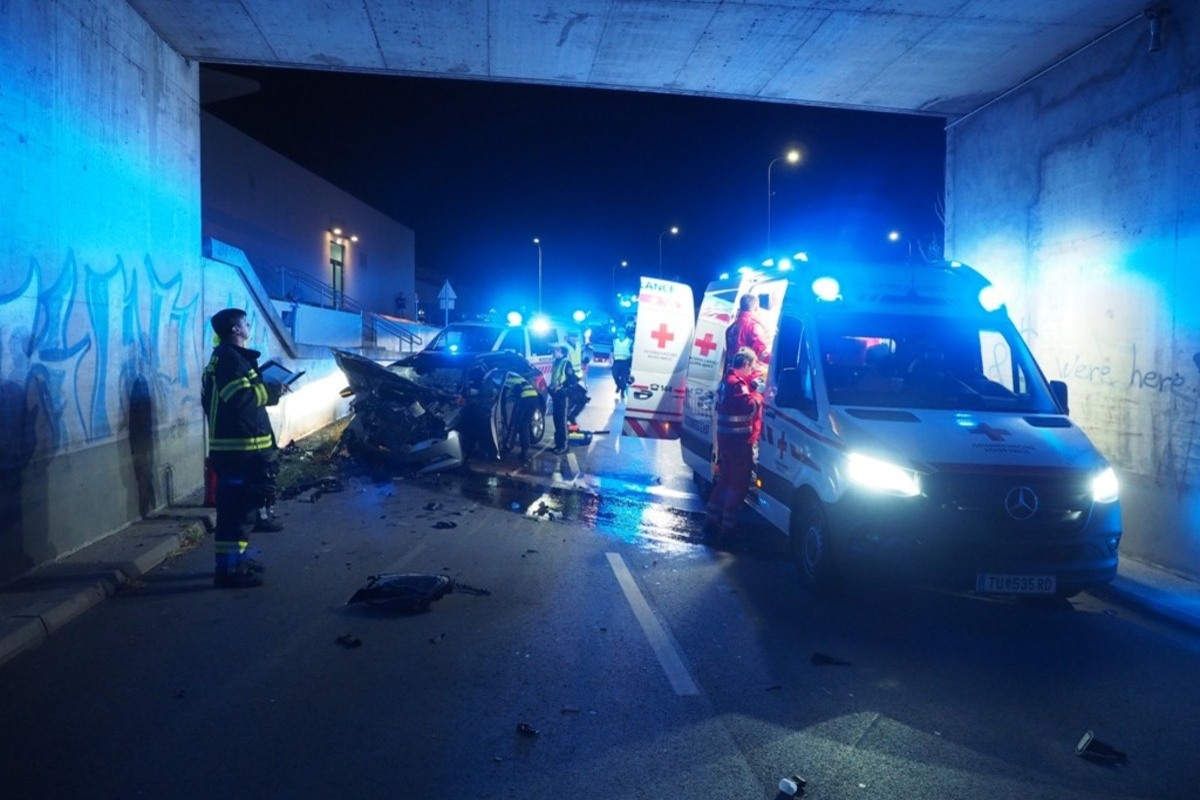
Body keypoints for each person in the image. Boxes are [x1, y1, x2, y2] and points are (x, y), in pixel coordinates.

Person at [201, 308, 286, 588]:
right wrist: (270, 391)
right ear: (235, 329)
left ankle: (235, 562)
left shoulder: (229, 358)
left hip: (240, 450)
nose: (249, 326)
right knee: (235, 514)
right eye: (245, 323)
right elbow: (238, 398)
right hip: (239, 452)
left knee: (242, 511)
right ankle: (227, 572)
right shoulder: (229, 358)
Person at [704, 347, 764, 537]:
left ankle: (711, 520)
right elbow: (748, 407)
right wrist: (758, 394)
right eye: (751, 367)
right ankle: (727, 529)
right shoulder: (737, 384)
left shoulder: (727, 381)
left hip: (727, 442)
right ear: (746, 364)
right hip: (738, 443)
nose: (751, 371)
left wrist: (752, 387)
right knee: (738, 485)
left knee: (724, 482)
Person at [500, 370, 541, 460]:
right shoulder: (516, 375)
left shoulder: (505, 379)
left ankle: (507, 447)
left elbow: (501, 393)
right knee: (524, 424)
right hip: (534, 397)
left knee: (515, 423)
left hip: (525, 397)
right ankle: (525, 450)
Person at [724, 293, 772, 371]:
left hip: (731, 371)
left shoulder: (731, 327)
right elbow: (761, 353)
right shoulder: (753, 326)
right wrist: (777, 361)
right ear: (756, 308)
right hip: (746, 373)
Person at [548, 341, 578, 453]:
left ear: (561, 351)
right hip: (556, 396)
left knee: (562, 421)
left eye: (555, 350)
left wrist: (563, 389)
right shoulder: (556, 362)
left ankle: (564, 446)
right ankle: (558, 444)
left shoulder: (566, 363)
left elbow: (572, 380)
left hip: (563, 397)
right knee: (556, 420)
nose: (553, 352)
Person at [611, 326, 633, 401]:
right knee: (615, 375)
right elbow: (612, 350)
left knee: (624, 378)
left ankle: (622, 392)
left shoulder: (629, 342)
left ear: (625, 334)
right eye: (620, 333)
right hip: (616, 361)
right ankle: (618, 385)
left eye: (622, 333)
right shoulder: (615, 341)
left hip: (625, 362)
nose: (621, 335)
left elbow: (632, 351)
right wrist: (610, 358)